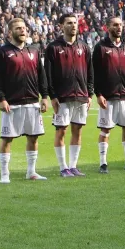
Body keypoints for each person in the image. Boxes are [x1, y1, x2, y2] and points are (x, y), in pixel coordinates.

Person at [0, 17, 49, 183]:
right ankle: (5, 174)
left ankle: (31, 172)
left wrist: (44, 96)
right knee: (7, 139)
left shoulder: (33, 51)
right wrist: (1, 98)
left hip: (32, 102)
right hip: (12, 104)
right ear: (10, 32)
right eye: (18, 28)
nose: (23, 30)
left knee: (33, 137)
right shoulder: (3, 52)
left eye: (24, 28)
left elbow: (41, 76)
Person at [45, 13, 93, 178]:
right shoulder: (53, 47)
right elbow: (48, 74)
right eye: (69, 23)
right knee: (61, 131)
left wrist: (90, 94)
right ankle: (62, 167)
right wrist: (52, 96)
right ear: (61, 26)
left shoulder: (84, 47)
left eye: (75, 23)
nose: (73, 26)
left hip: (81, 95)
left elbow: (90, 72)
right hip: (62, 97)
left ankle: (73, 166)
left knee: (77, 130)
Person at [92, 16, 125, 173]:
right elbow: (94, 74)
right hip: (108, 97)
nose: (118, 27)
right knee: (105, 130)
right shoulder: (100, 48)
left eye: (120, 24)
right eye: (115, 25)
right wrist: (98, 94)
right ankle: (103, 163)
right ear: (108, 27)